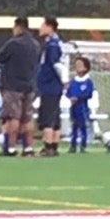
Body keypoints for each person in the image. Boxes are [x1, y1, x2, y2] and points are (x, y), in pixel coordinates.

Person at [0, 16, 41, 157]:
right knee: (27, 117)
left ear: (18, 27)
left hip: (12, 85)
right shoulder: (35, 44)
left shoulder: (13, 43)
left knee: (13, 117)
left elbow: (0, 58)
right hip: (29, 85)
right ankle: (28, 148)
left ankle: (11, 147)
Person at [37, 16, 68, 157]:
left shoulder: (52, 45)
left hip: (50, 85)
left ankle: (48, 147)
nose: (40, 28)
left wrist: (63, 79)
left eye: (42, 25)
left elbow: (56, 64)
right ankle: (54, 147)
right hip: (53, 85)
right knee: (55, 117)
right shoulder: (57, 43)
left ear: (50, 27)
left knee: (48, 116)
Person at [67, 56, 94, 153]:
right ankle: (73, 145)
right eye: (76, 65)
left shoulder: (88, 81)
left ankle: (83, 145)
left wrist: (78, 98)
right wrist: (70, 97)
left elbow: (89, 93)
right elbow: (68, 92)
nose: (77, 67)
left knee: (83, 126)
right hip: (73, 106)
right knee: (74, 126)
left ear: (86, 68)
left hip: (82, 106)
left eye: (80, 65)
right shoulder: (73, 81)